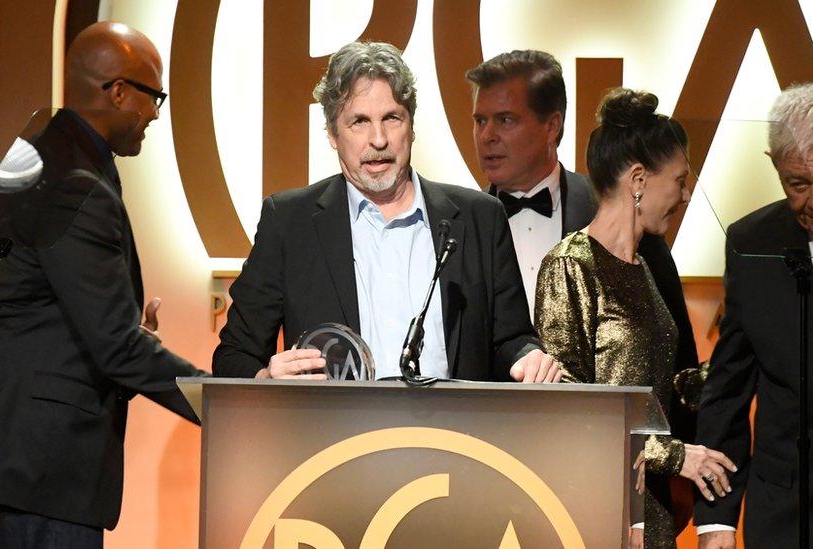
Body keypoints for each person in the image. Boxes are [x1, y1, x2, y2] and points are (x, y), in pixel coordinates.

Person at [0, 22, 205, 548]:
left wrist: (126, 336)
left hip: (23, 456)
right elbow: (114, 346)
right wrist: (222, 405)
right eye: (154, 98)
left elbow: (43, 308)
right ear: (119, 91)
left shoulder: (38, 156)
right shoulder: (77, 186)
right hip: (46, 464)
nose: (153, 115)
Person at [212, 41, 557, 383]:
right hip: (333, 436)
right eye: (359, 122)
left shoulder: (480, 217)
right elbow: (233, 356)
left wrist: (528, 357)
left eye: (391, 118)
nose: (378, 139)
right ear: (332, 133)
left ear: (412, 125)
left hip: (456, 437)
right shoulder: (289, 222)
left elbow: (511, 339)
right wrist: (267, 380)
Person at [467, 50, 703, 529]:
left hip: (616, 492)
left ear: (553, 126)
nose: (487, 135)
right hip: (484, 479)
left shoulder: (628, 222)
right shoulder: (457, 224)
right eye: (480, 120)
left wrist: (679, 476)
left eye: (506, 119)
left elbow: (677, 362)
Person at [535, 88, 735, 548]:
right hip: (597, 513)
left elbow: (658, 385)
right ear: (640, 179)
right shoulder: (572, 263)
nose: (684, 194)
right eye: (679, 180)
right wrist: (675, 455)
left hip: (654, 512)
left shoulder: (645, 267)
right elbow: (569, 407)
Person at [695, 84, 813, 548]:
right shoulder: (751, 242)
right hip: (790, 515)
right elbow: (728, 389)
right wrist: (716, 519)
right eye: (797, 184)